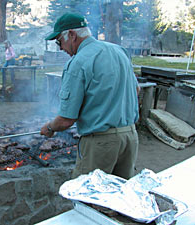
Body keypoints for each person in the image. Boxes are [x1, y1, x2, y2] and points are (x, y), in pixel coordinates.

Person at [40, 13, 140, 180]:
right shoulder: (119, 51)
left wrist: (49, 128)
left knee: (88, 199)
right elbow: (135, 90)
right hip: (130, 138)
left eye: (59, 42)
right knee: (120, 195)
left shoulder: (78, 62)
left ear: (72, 35)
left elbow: (66, 120)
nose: (60, 48)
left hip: (101, 144)